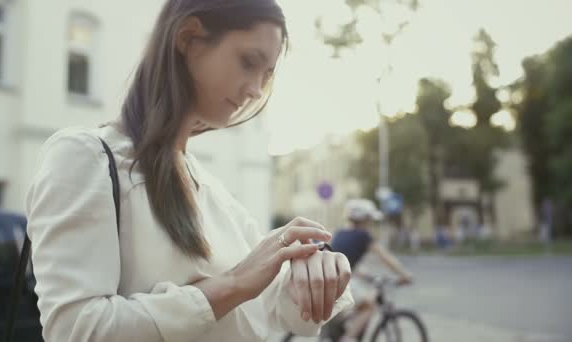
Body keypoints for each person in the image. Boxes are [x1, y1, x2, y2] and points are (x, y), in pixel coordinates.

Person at [25, 1, 354, 341]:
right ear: (188, 38)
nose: (256, 88)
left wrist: (317, 274)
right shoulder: (85, 157)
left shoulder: (210, 189)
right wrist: (233, 285)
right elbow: (76, 330)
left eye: (266, 74)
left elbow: (281, 311)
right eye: (248, 62)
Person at [329, 199, 413, 341]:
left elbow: (343, 260)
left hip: (328, 280)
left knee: (348, 311)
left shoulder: (340, 233)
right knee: (369, 305)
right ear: (364, 219)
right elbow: (386, 258)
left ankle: (341, 331)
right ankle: (348, 338)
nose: (371, 223)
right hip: (339, 283)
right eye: (370, 220)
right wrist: (405, 275)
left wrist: (364, 274)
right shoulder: (363, 236)